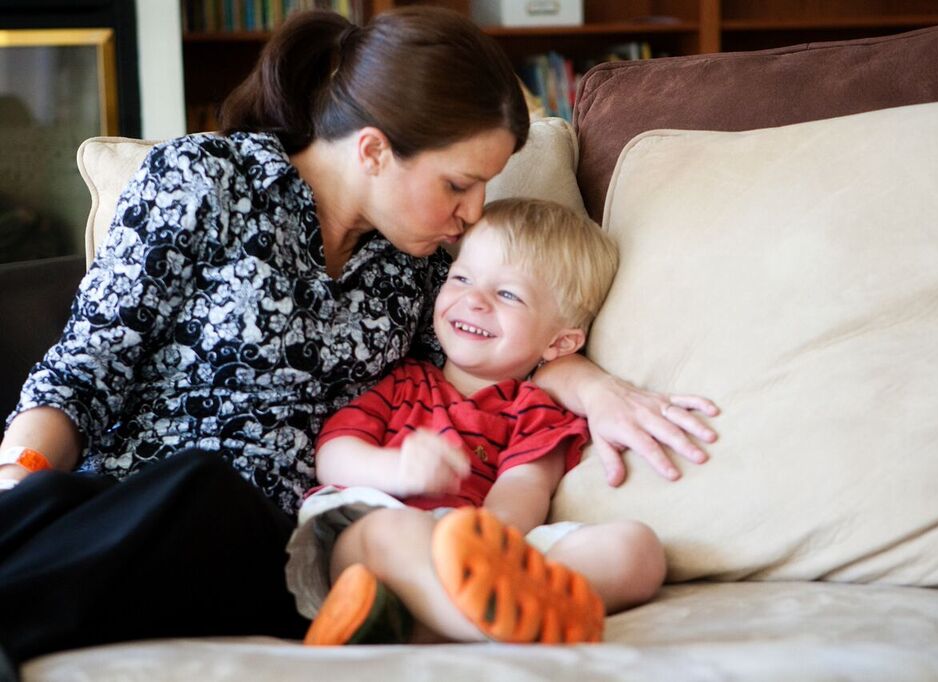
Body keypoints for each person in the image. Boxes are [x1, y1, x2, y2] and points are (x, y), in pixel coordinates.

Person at [0, 6, 717, 668]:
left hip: (281, 561)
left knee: (245, 519)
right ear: (373, 151)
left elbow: (493, 357)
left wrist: (602, 391)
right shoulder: (201, 182)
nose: (471, 215)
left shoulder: (420, 268)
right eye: (458, 185)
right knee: (197, 488)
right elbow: (85, 368)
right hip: (145, 507)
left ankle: (474, 612)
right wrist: (18, 487)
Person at [291, 198, 669, 646]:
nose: (474, 300)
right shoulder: (403, 381)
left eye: (508, 294)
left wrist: (491, 540)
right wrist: (395, 471)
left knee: (638, 548)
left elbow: (525, 487)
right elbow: (332, 455)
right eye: (462, 278)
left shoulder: (537, 409)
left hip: (493, 550)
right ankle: (488, 622)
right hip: (385, 532)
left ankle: (427, 622)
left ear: (559, 342)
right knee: (386, 531)